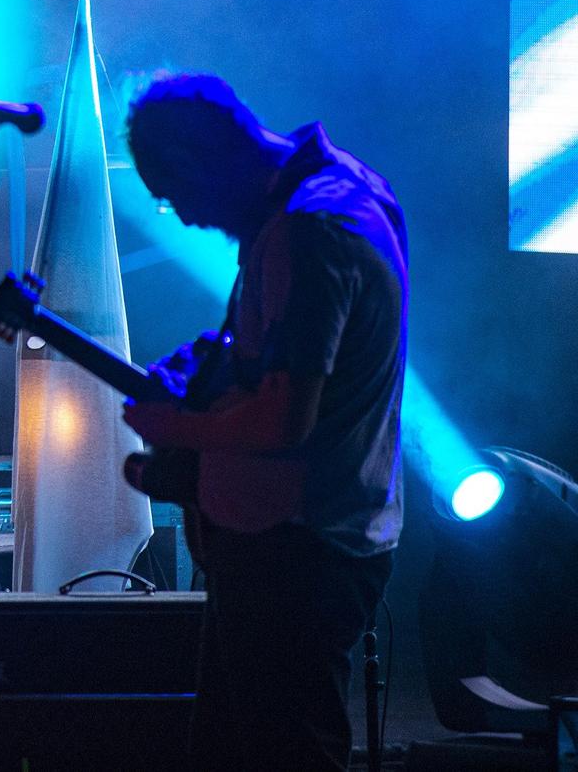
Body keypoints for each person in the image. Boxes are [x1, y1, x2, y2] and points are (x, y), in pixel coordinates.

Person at [119, 73, 405, 772]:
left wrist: (172, 427)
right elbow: (301, 358)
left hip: (297, 553)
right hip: (297, 545)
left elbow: (285, 419)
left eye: (173, 197)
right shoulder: (343, 187)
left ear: (198, 161)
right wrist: (204, 364)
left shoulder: (310, 232)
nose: (182, 219)